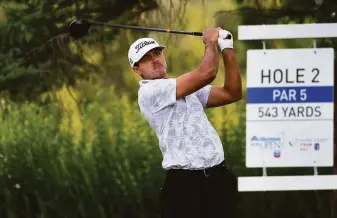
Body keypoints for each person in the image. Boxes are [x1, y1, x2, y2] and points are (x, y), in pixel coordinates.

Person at [127, 27, 242, 218]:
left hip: (217, 178)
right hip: (184, 185)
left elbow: (232, 93)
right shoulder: (149, 93)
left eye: (157, 53)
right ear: (137, 69)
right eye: (147, 58)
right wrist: (210, 42)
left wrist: (227, 47)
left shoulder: (183, 87)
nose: (155, 59)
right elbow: (207, 73)